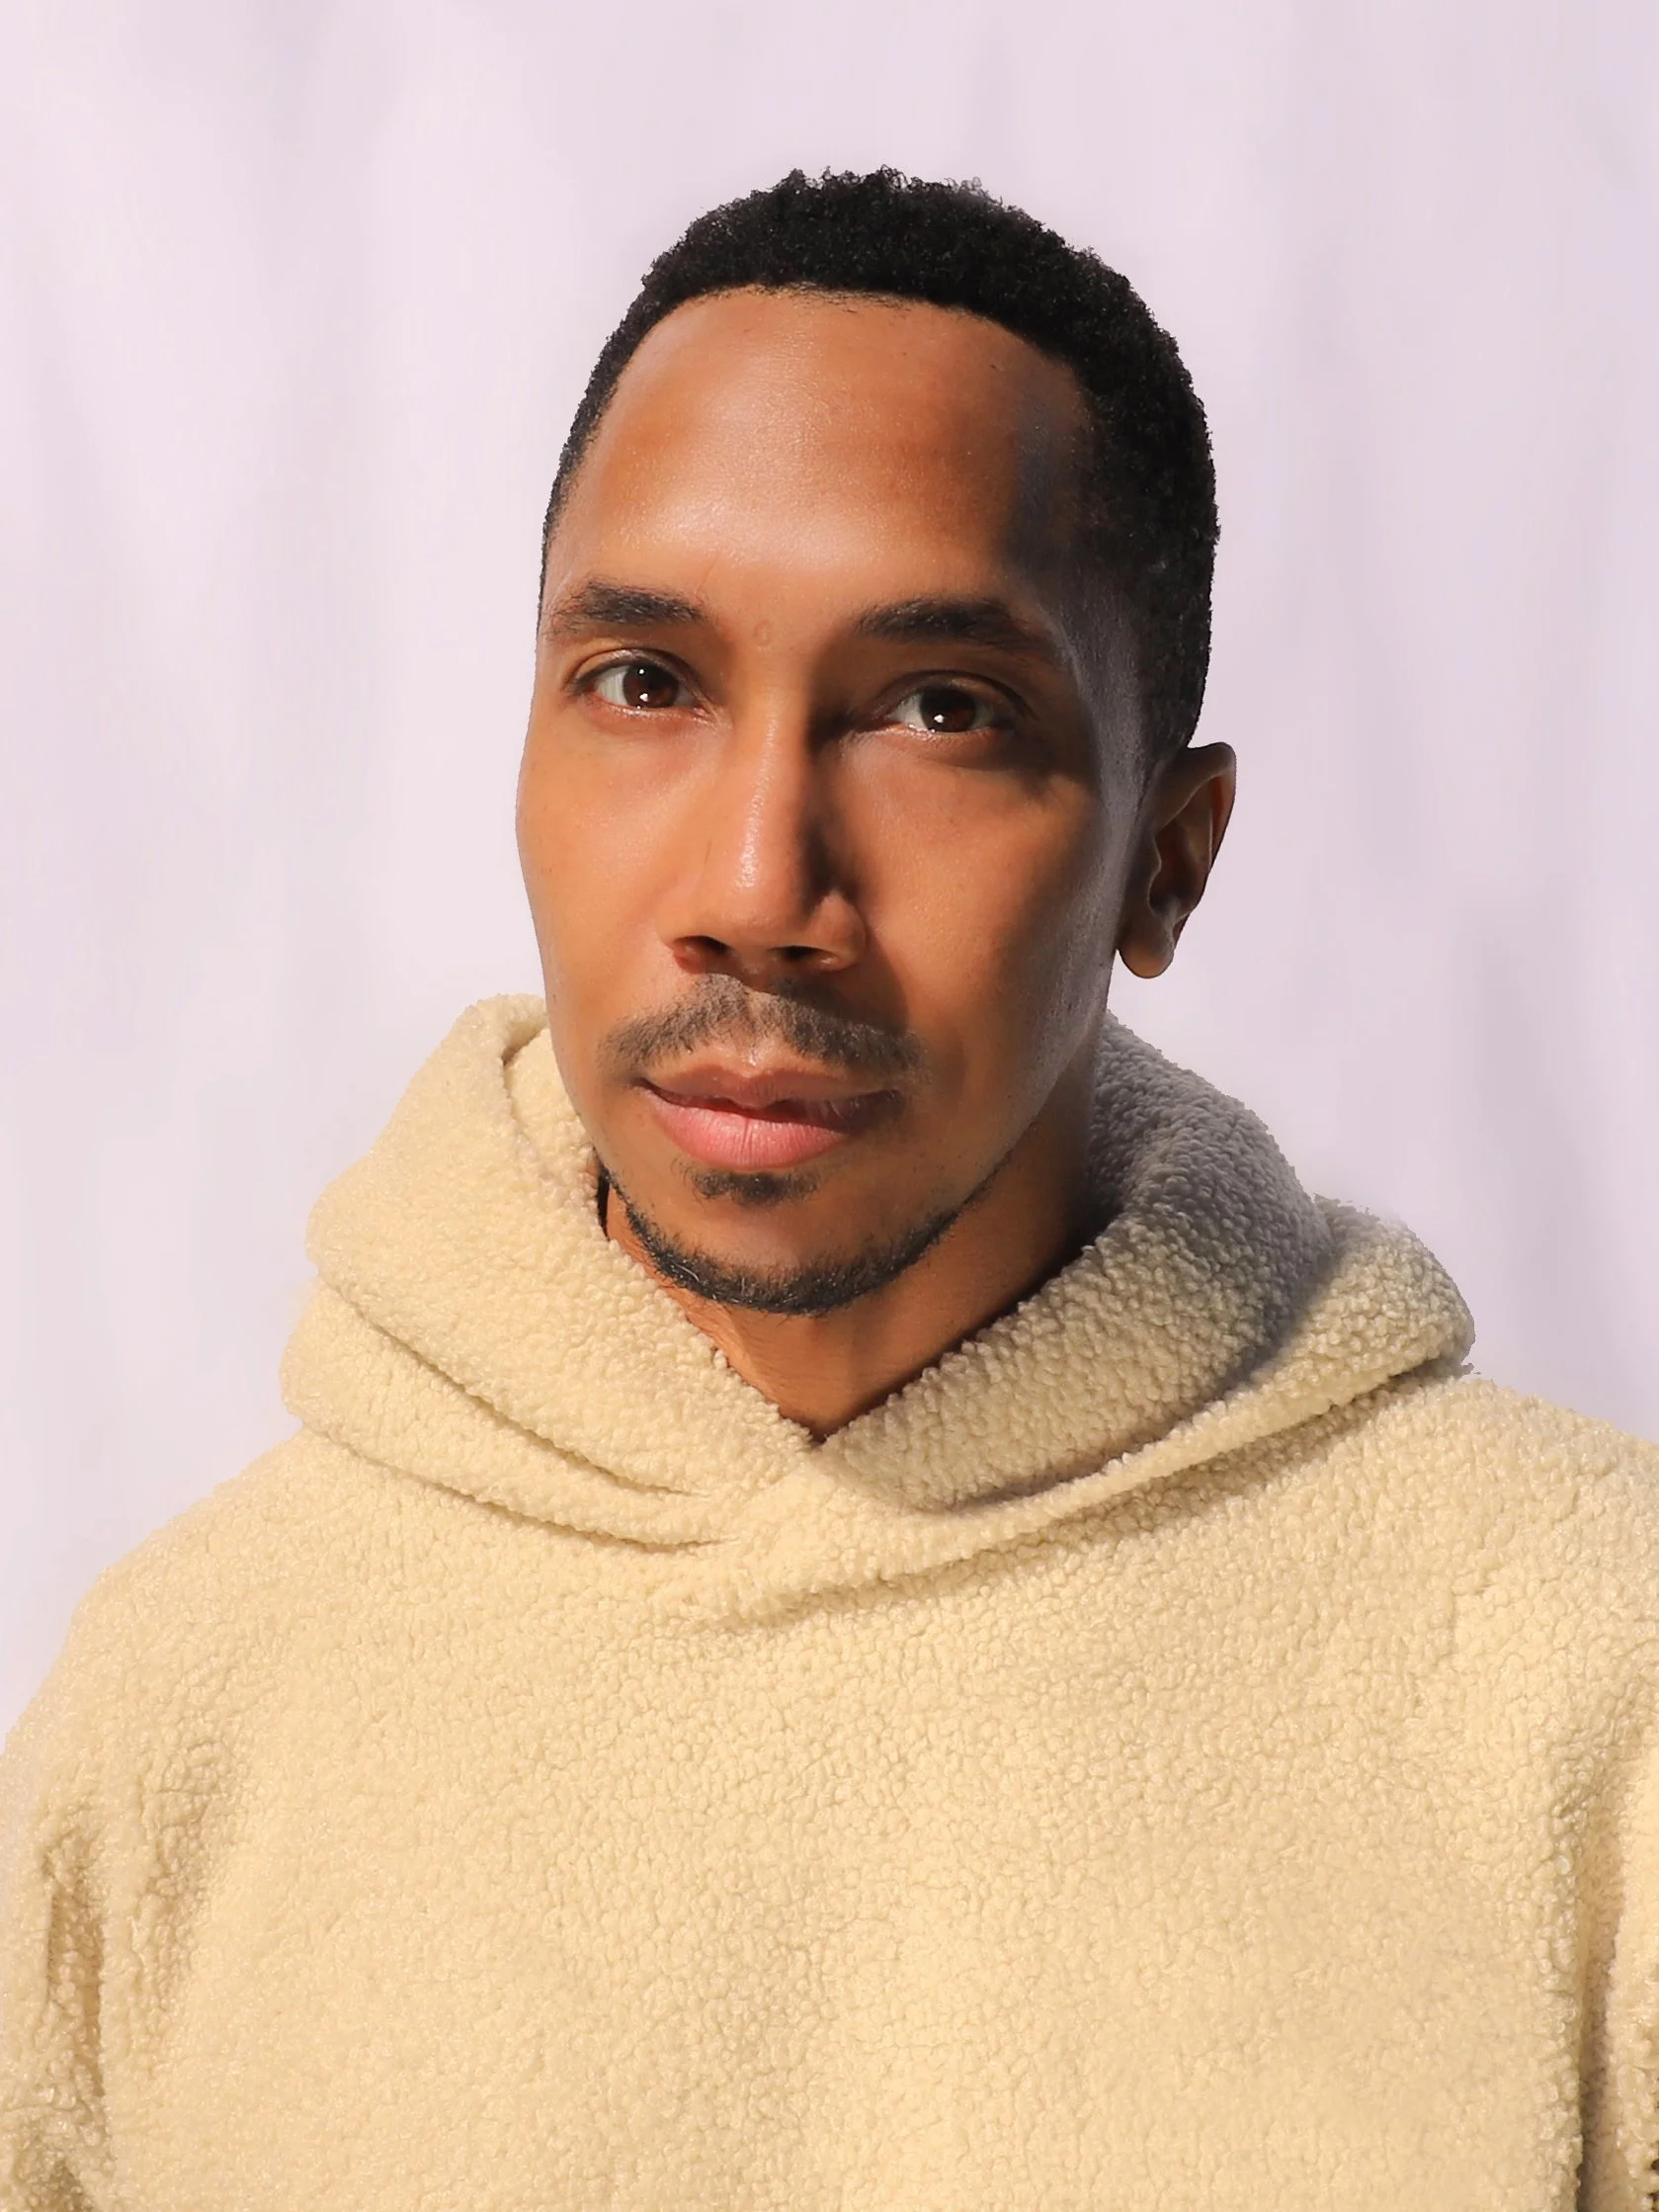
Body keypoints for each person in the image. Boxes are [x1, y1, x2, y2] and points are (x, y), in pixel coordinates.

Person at [1, 167, 1655, 2212]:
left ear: (1165, 862)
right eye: (644, 682)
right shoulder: (179, 1712)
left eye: (940, 710)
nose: (755, 888)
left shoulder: (1591, 1680)